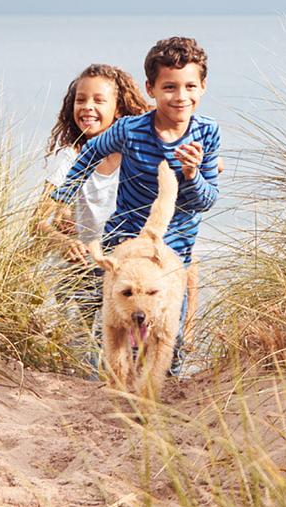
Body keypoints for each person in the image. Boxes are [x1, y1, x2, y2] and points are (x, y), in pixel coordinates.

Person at [49, 37, 220, 374]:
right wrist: (64, 200)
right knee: (120, 331)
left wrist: (192, 174)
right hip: (124, 245)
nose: (180, 96)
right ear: (151, 89)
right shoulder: (130, 130)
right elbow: (90, 153)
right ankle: (112, 389)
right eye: (169, 87)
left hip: (174, 252)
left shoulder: (208, 132)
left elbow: (206, 200)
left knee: (168, 341)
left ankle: (159, 388)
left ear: (202, 87)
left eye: (189, 86)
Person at [35, 64, 150, 363]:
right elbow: (38, 221)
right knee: (82, 358)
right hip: (82, 271)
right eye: (81, 99)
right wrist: (62, 241)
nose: (87, 106)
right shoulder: (71, 156)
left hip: (128, 273)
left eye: (99, 100)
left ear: (119, 109)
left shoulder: (137, 155)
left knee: (129, 356)